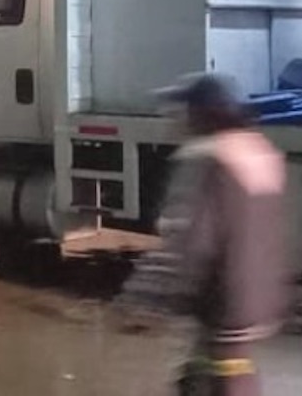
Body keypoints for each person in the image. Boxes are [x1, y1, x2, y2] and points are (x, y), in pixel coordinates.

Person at [124, 73, 291, 395]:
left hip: (222, 299)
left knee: (214, 374)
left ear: (201, 113)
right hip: (260, 301)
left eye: (183, 110)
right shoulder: (259, 150)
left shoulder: (207, 157)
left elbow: (187, 240)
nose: (178, 119)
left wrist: (142, 298)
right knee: (223, 366)